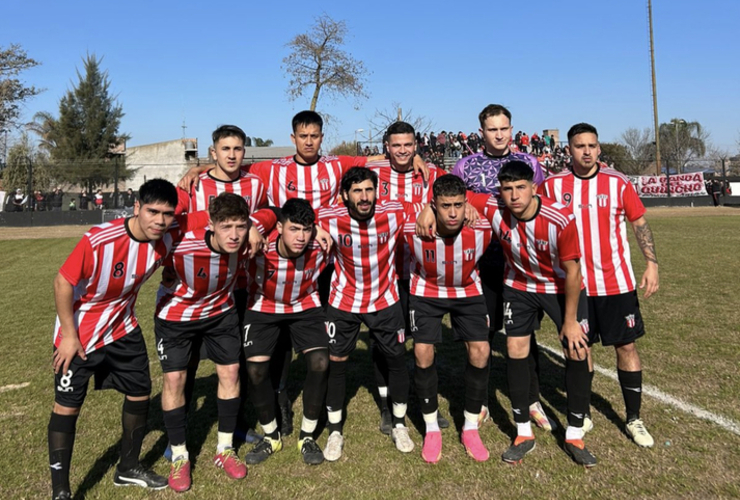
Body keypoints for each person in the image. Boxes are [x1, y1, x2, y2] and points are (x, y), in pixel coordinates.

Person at [178, 112, 428, 436]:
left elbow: (379, 155)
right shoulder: (272, 168)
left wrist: (415, 154)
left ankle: (342, 403)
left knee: (323, 336)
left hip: (323, 260)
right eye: (303, 136)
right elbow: (233, 168)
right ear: (293, 137)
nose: (309, 141)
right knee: (277, 338)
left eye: (315, 136)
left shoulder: (336, 164)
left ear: (322, 137)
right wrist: (199, 168)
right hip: (277, 263)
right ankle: (280, 405)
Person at [47, 179, 209, 500]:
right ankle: (61, 490)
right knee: (67, 408)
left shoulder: (167, 233)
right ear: (136, 207)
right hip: (80, 332)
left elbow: (209, 217)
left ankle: (128, 468)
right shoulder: (99, 240)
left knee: (140, 393)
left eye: (166, 214)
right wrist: (68, 335)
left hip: (122, 327)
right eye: (152, 212)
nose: (159, 221)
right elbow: (62, 283)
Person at [465, 161, 595, 467]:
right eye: (507, 189)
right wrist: (432, 208)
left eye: (520, 188)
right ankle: (523, 433)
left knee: (576, 350)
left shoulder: (559, 219)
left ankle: (575, 433)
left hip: (561, 288)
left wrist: (570, 320)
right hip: (519, 287)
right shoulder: (495, 207)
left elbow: (574, 272)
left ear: (533, 188)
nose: (514, 195)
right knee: (515, 348)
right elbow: (456, 194)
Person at [543, 123, 659, 448]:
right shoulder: (552, 186)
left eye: (592, 145)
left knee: (627, 347)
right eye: (580, 146)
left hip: (616, 284)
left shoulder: (618, 182)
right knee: (580, 349)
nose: (587, 151)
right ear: (569, 150)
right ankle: (582, 411)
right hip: (574, 288)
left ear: (599, 148)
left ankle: (634, 418)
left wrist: (652, 263)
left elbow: (639, 224)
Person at [154, 193, 276, 491]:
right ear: (211, 225)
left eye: (240, 225)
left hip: (220, 314)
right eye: (226, 226)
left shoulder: (246, 236)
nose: (234, 235)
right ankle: (180, 456)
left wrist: (256, 228)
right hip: (176, 317)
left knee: (231, 373)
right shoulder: (180, 244)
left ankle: (224, 449)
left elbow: (273, 212)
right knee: (174, 380)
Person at [451, 104, 550, 430]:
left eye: (504, 128)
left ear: (512, 129)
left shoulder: (529, 163)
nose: (499, 134)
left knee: (524, 335)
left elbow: (542, 207)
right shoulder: (465, 166)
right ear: (481, 132)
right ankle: (479, 402)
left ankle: (532, 399)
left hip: (521, 266)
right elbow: (451, 204)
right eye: (492, 129)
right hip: (481, 264)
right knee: (484, 334)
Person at [318, 167, 422, 461]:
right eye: (357, 191)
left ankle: (399, 424)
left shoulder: (395, 210)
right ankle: (335, 431)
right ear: (344, 196)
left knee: (397, 358)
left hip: (385, 299)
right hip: (343, 301)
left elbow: (430, 206)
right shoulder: (328, 216)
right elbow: (291, 217)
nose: (364, 197)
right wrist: (313, 228)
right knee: (336, 362)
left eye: (369, 190)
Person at [365, 121, 450, 435]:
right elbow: (342, 167)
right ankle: (387, 406)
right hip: (384, 275)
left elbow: (457, 198)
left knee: (424, 343)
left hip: (422, 275)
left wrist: (431, 204)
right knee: (385, 343)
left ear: (416, 145)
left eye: (408, 145)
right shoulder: (372, 174)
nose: (402, 151)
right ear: (386, 146)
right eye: (396, 145)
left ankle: (427, 402)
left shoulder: (431, 176)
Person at [405, 176, 493, 463]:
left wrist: (474, 202)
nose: (453, 213)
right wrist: (424, 208)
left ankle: (470, 427)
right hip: (426, 290)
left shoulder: (481, 226)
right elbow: (386, 206)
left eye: (458, 205)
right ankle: (431, 428)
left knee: (481, 351)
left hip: (467, 289)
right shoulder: (412, 224)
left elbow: (507, 200)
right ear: (434, 205)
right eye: (445, 206)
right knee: (422, 352)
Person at [241, 199, 330, 466]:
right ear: (279, 227)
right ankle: (271, 436)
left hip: (305, 305)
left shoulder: (321, 245)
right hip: (262, 307)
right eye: (294, 229)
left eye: (306, 229)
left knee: (320, 362)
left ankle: (307, 436)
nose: (300, 237)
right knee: (256, 370)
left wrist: (322, 228)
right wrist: (251, 227)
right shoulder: (259, 247)